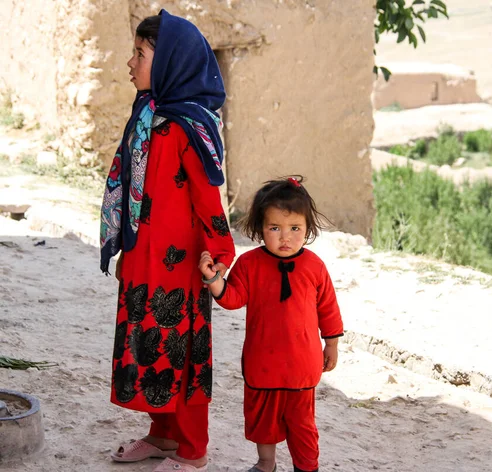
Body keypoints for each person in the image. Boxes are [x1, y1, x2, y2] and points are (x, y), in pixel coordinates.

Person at [100, 10, 235, 472]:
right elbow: (133, 192)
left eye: (140, 54)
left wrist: (218, 255)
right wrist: (125, 245)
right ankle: (162, 435)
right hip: (144, 257)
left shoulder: (186, 127)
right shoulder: (145, 117)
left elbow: (207, 200)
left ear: (171, 63)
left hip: (181, 267)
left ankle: (192, 450)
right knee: (148, 343)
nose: (130, 63)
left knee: (184, 349)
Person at [199, 177, 344, 472]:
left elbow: (328, 308)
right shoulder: (250, 264)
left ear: (307, 229)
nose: (285, 237)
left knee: (302, 426)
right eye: (274, 228)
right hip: (262, 362)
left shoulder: (315, 266)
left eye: (295, 229)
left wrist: (332, 344)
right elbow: (233, 298)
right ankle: (266, 464)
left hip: (302, 366)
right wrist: (215, 280)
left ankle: (307, 468)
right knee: (262, 422)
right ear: (260, 228)